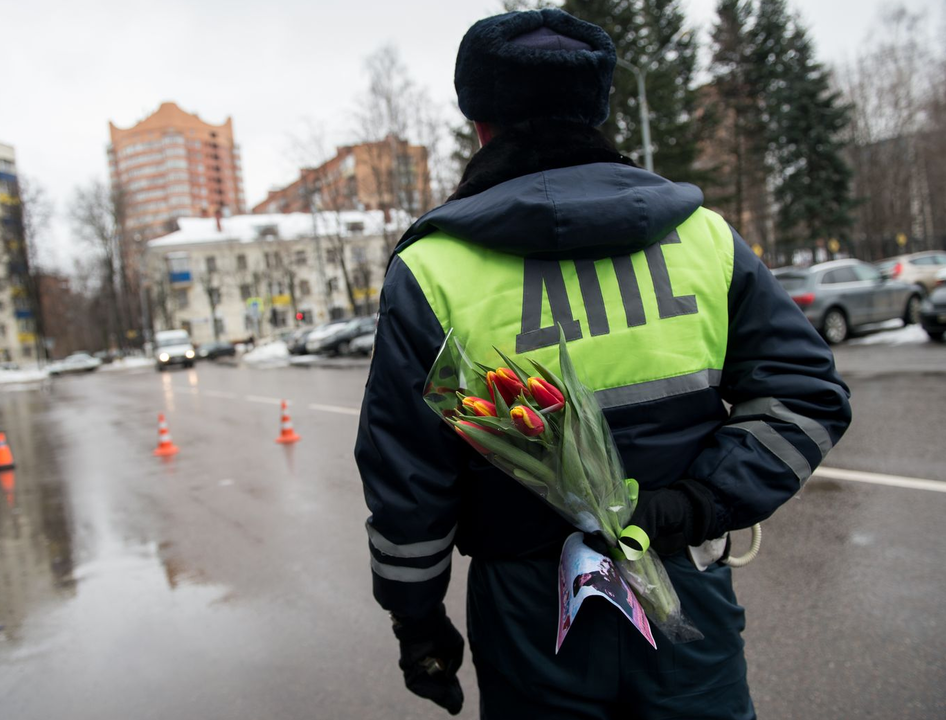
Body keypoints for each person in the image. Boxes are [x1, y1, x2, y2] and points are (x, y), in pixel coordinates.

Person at [355, 8, 851, 719]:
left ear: (480, 120)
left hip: (529, 610)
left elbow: (407, 480)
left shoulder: (435, 268)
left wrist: (418, 622)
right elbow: (806, 396)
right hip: (680, 579)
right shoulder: (702, 239)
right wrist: (697, 504)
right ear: (598, 108)